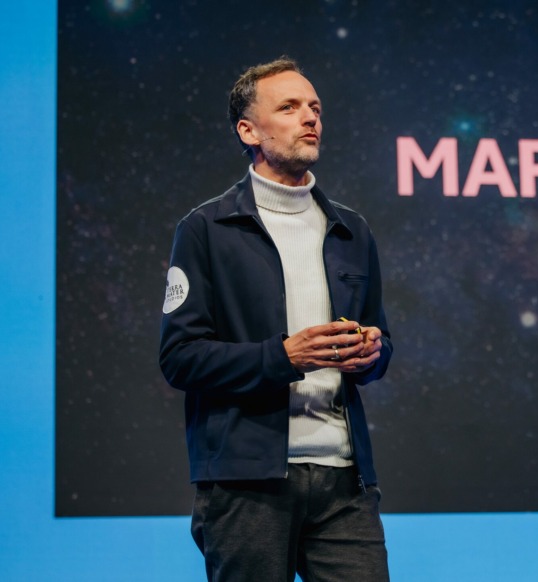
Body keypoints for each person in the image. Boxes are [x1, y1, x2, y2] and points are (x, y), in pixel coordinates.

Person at [158, 57, 393, 582]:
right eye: (289, 107)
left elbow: (381, 340)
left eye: (314, 107)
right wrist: (284, 356)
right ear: (249, 130)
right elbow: (180, 358)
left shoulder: (351, 230)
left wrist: (373, 353)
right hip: (246, 485)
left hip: (345, 481)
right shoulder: (206, 229)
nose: (309, 117)